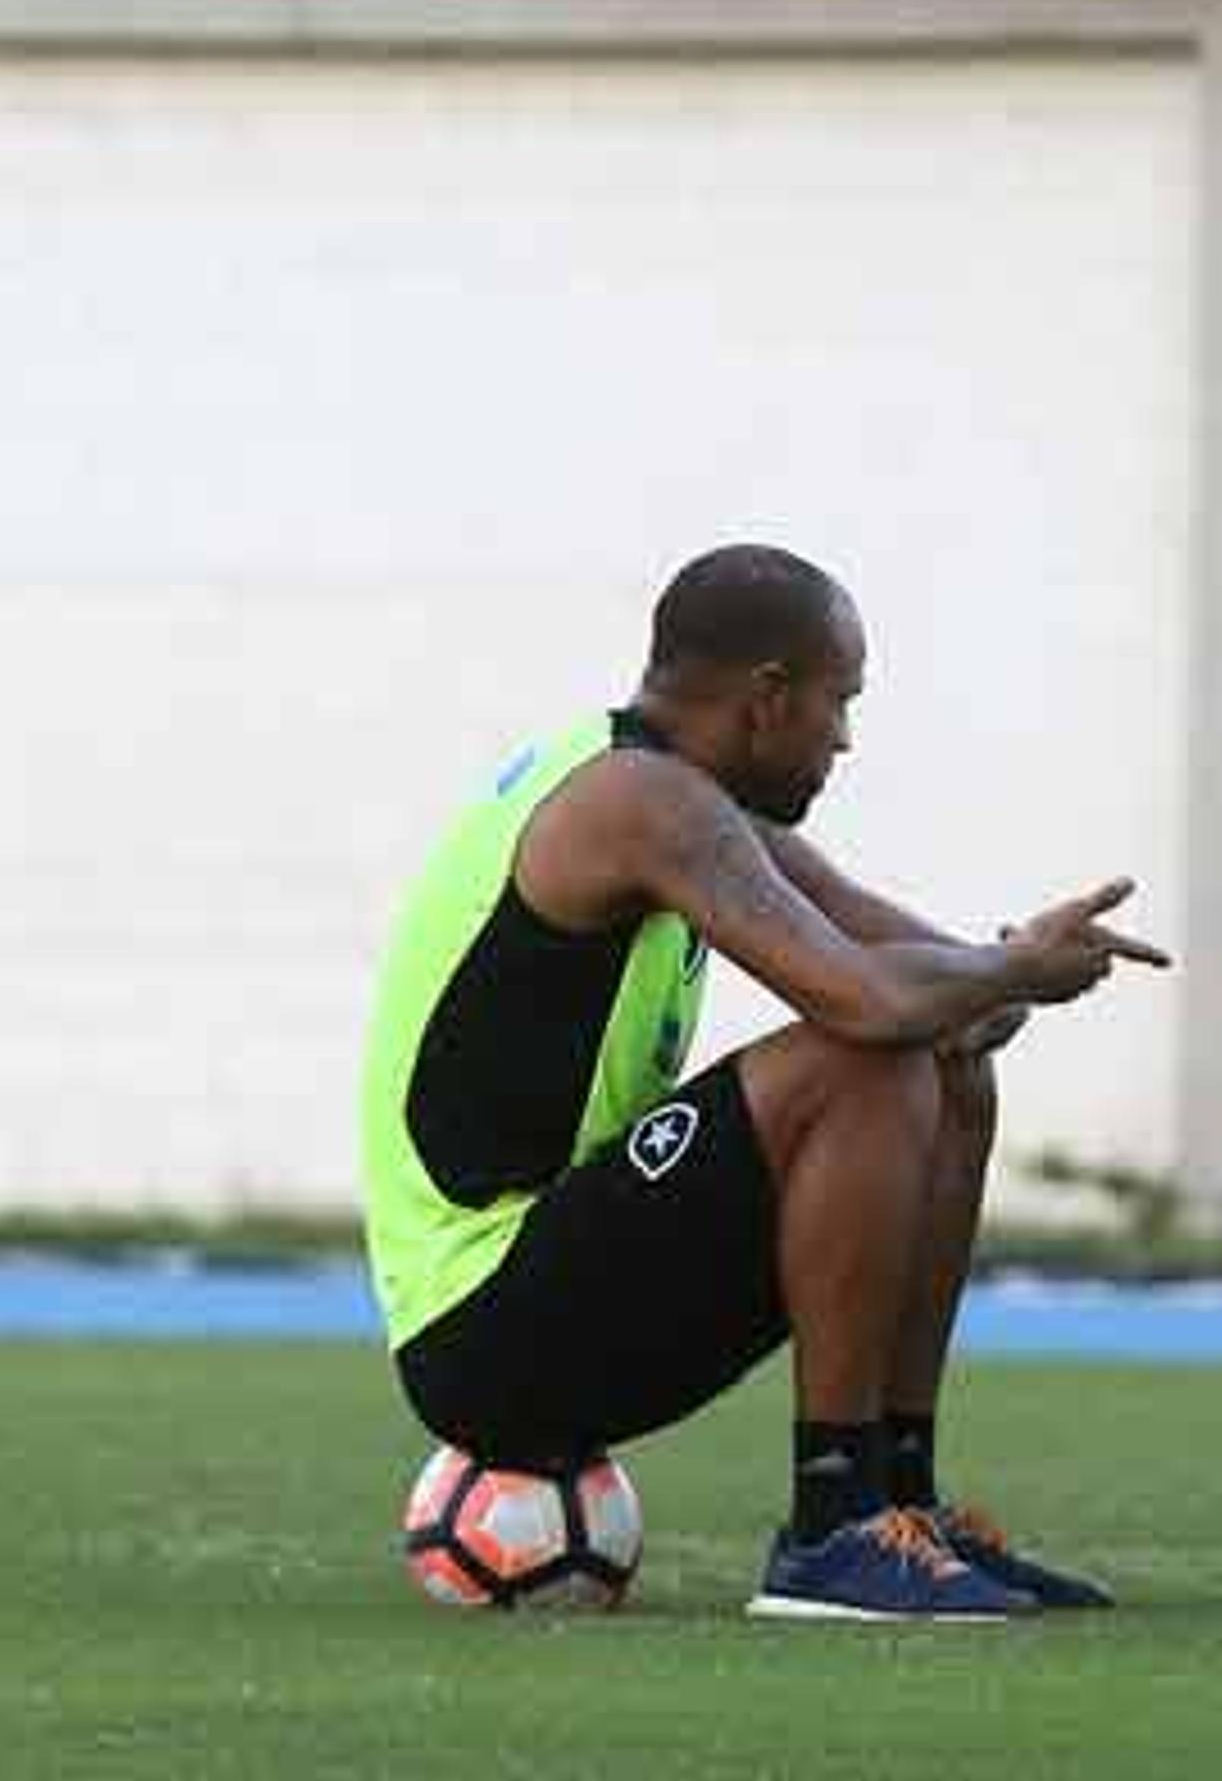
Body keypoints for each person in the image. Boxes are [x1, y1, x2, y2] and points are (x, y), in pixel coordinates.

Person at [359, 543, 1168, 1623]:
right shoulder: (637, 800)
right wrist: (1007, 969)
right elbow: (872, 1005)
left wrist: (1011, 960)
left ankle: (899, 1506)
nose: (843, 738)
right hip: (483, 1328)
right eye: (839, 702)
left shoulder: (696, 807)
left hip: (556, 1286)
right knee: (861, 1056)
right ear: (766, 698)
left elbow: (957, 1000)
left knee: (948, 1062)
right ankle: (832, 1532)